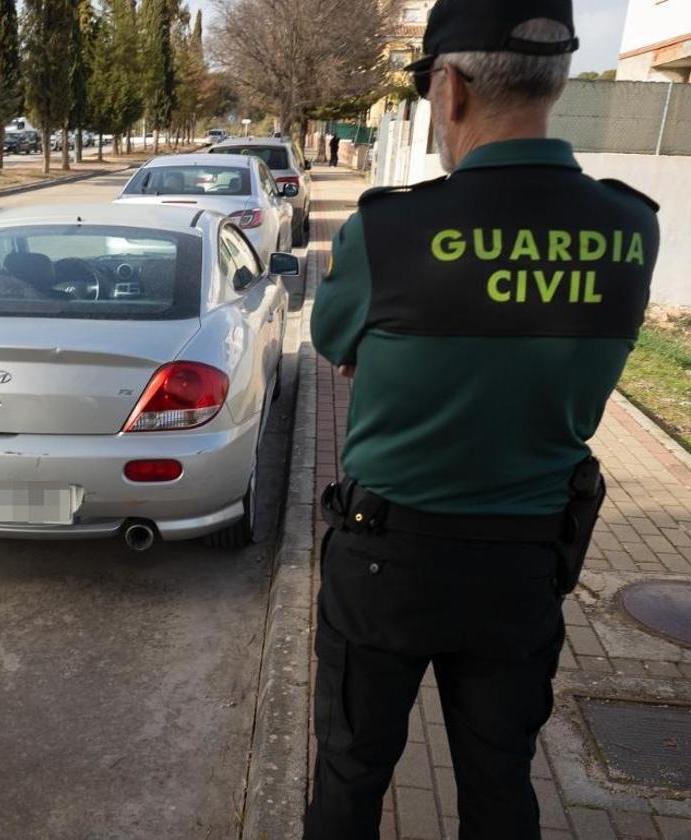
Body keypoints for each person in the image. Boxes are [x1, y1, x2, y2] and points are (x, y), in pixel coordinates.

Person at [307, 0, 659, 838]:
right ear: (561, 79)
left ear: (450, 88)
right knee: (501, 785)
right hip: (524, 563)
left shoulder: (388, 230)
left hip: (387, 564)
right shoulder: (629, 227)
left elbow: (334, 342)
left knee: (352, 778)